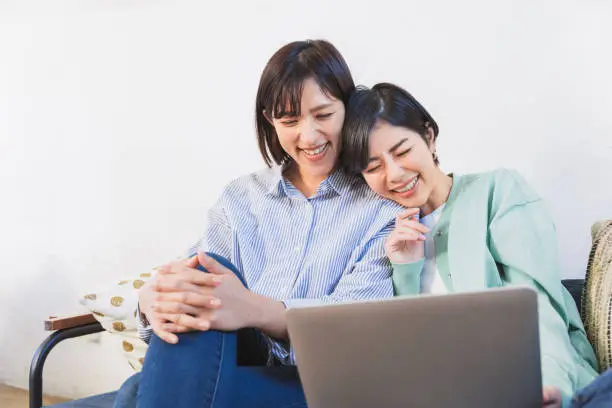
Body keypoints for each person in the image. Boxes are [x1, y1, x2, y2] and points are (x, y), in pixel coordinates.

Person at [119, 40, 402, 408]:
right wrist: (151, 300)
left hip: (322, 387)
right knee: (204, 283)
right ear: (270, 121)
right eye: (290, 121)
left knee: (133, 393)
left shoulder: (381, 203)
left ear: (347, 108)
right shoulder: (241, 198)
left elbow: (353, 326)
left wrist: (251, 308)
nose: (309, 136)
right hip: (231, 372)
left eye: (323, 114)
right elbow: (193, 281)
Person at [340, 83, 601, 408]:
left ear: (429, 136)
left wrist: (549, 386)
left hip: (539, 384)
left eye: (402, 151)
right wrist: (405, 270)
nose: (393, 174)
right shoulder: (386, 237)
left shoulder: (498, 191)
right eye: (373, 167)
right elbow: (412, 351)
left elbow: (538, 307)